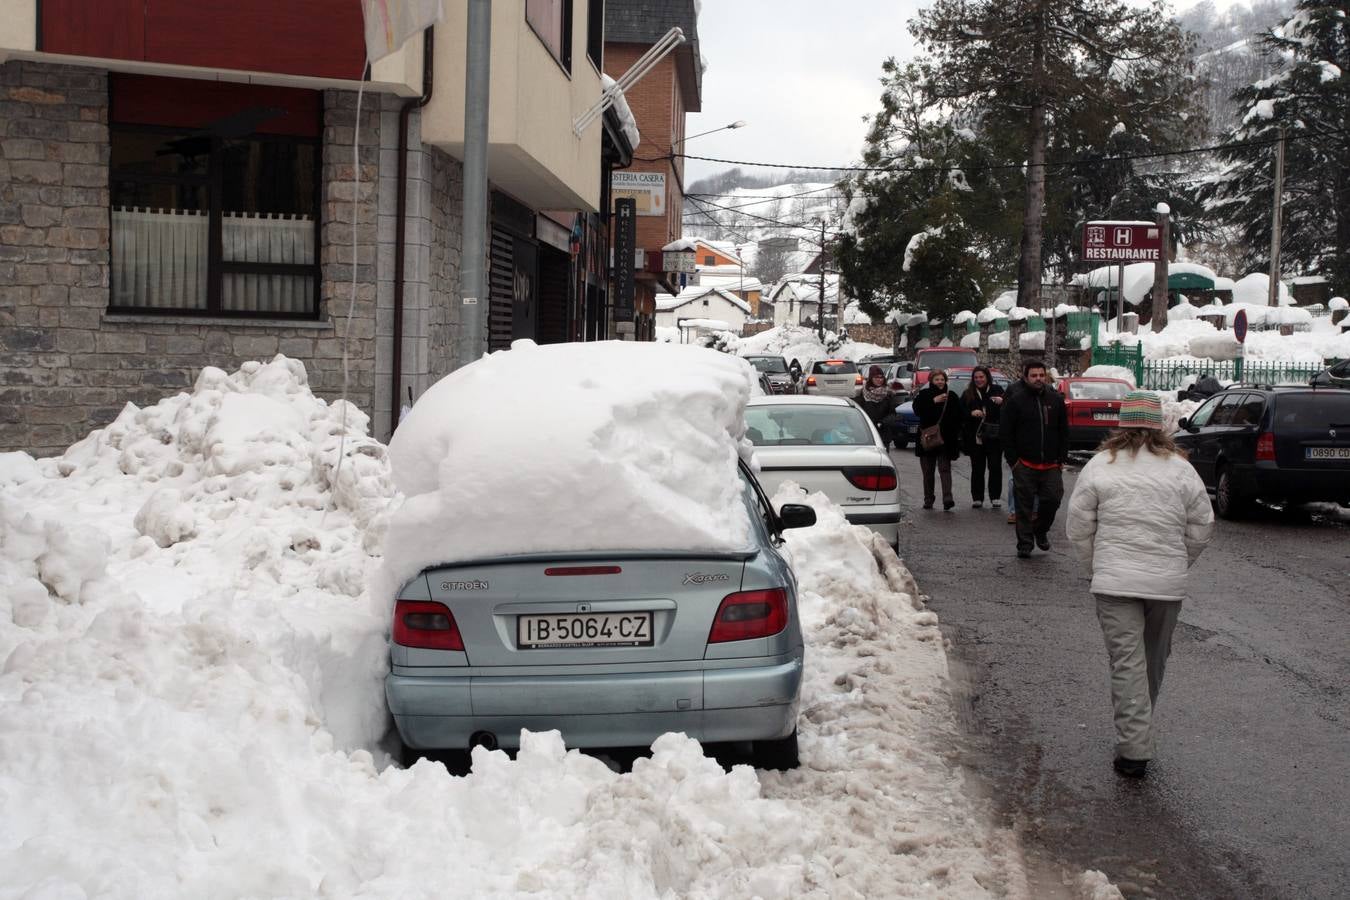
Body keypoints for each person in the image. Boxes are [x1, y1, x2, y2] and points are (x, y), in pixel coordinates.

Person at [1065, 392, 1214, 778]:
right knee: (1153, 659)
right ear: (1159, 425)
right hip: (1166, 583)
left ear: (1122, 424)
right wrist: (1179, 561)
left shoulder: (1101, 465)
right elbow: (1202, 525)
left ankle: (1134, 749)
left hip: (1115, 582)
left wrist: (1095, 568)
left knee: (1126, 661)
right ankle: (1137, 734)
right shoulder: (1181, 470)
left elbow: (1079, 527)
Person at [1000, 359, 1068, 556]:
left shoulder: (1055, 400)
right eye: (1034, 376)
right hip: (1025, 464)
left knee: (1053, 499)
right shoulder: (1016, 401)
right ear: (1025, 377)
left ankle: (1040, 530)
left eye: (1041, 375)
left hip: (1051, 465)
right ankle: (1025, 544)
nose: (1038, 379)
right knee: (1024, 506)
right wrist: (1014, 461)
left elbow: (1064, 430)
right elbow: (1006, 433)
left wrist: (1061, 457)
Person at [912, 369, 965, 510]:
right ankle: (928, 499)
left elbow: (959, 417)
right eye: (937, 379)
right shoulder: (924, 394)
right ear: (931, 381)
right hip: (928, 439)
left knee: (944, 469)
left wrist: (956, 436)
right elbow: (917, 410)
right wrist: (932, 401)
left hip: (945, 440)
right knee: (928, 471)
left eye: (942, 379)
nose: (940, 382)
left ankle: (947, 497)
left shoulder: (952, 396)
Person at [960, 366, 1005, 508]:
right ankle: (977, 497)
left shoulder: (998, 390)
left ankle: (995, 497)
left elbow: (1009, 409)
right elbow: (960, 412)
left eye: (981, 377)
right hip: (976, 437)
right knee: (977, 467)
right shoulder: (968, 393)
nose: (979, 380)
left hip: (994, 436)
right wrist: (971, 413)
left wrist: (1002, 402)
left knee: (995, 466)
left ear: (987, 377)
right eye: (976, 378)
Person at [855, 365, 900, 450]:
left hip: (883, 435)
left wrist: (882, 423)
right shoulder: (862, 394)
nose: (879, 380)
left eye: (881, 377)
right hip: (867, 434)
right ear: (871, 378)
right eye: (876, 377)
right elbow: (858, 413)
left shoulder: (888, 394)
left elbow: (893, 414)